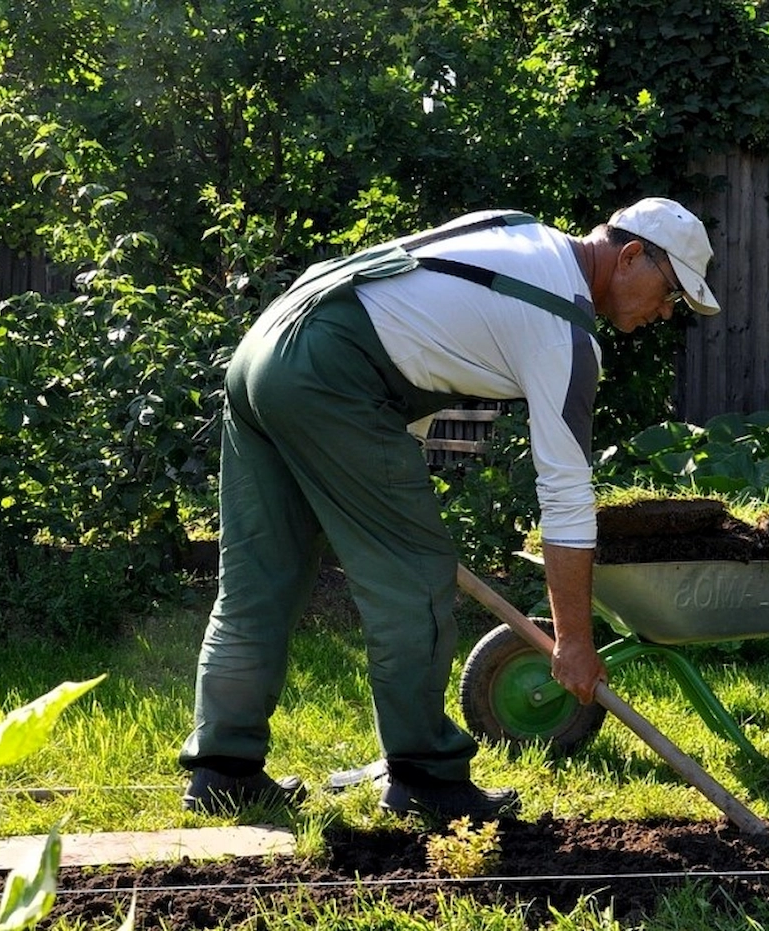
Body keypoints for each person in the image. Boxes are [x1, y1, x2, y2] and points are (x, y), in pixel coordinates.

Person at [180, 197, 721, 820]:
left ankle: (223, 769)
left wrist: (362, 480)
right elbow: (567, 497)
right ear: (630, 256)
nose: (663, 312)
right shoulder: (563, 327)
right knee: (415, 577)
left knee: (259, 580)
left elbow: (418, 332)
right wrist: (573, 639)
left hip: (268, 347)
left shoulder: (519, 233)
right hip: (332, 373)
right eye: (669, 293)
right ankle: (426, 780)